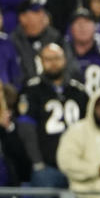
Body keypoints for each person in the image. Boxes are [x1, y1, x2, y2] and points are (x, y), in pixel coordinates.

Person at [17, 43, 88, 188]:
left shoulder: (78, 91)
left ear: (65, 60)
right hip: (47, 167)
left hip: (78, 166)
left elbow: (90, 128)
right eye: (48, 59)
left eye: (57, 58)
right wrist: (37, 163)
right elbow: (26, 130)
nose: (53, 63)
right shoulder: (32, 90)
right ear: (41, 61)